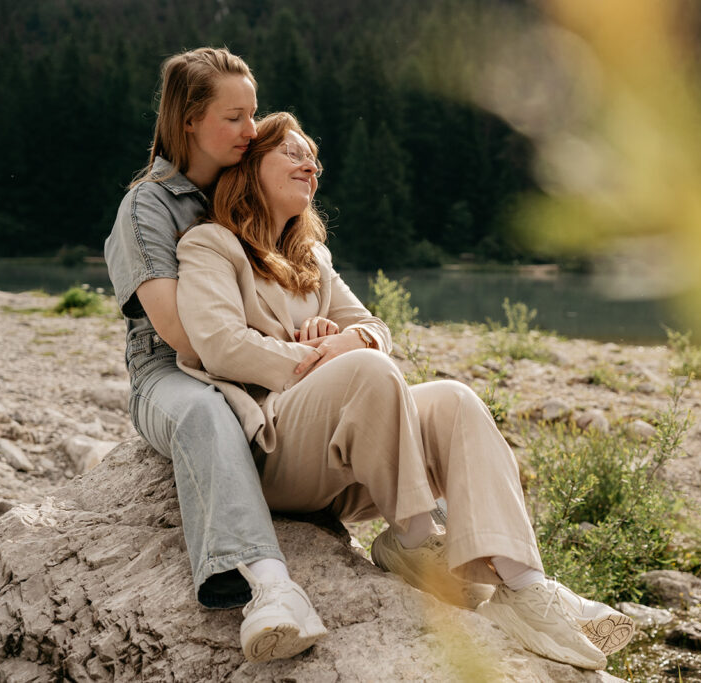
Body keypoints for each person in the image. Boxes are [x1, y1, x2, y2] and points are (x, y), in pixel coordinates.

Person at [173, 111, 636, 669]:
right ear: (250, 167)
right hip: (272, 450)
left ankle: (525, 585)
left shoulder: (312, 258)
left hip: (351, 459)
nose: (311, 165)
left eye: (314, 158)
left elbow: (375, 331)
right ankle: (418, 540)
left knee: (454, 399)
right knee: (367, 371)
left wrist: (349, 339)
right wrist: (325, 357)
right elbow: (221, 346)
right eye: (294, 153)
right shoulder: (210, 246)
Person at [104, 48, 328, 662]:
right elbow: (182, 336)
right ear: (188, 122)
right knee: (206, 413)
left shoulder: (246, 183)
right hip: (172, 375)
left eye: (253, 114)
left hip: (254, 358)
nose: (251, 131)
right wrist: (287, 358)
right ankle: (268, 587)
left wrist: (318, 341)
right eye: (234, 117)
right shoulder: (147, 207)